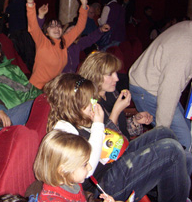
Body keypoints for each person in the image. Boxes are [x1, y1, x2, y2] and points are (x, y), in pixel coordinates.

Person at [44, 72, 191, 202]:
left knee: (164, 133)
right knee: (171, 151)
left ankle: (176, 185)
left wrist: (101, 123)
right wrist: (98, 125)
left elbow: (114, 140)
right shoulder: (63, 129)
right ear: (72, 105)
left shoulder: (83, 116)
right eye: (87, 100)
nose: (93, 102)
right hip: (102, 185)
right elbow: (87, 169)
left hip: (115, 160)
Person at [129, 20, 192, 151]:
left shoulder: (188, 27)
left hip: (154, 85)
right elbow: (169, 92)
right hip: (147, 90)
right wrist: (162, 132)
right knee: (184, 141)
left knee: (187, 129)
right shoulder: (185, 51)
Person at [25, 0, 89, 89]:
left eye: (58, 26)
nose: (56, 28)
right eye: (52, 26)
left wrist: (83, 6)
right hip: (35, 88)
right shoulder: (42, 41)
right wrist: (30, 3)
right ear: (46, 31)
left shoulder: (64, 42)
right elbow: (33, 25)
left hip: (52, 88)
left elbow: (79, 27)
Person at [79, 51, 153, 140]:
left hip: (125, 145)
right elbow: (106, 143)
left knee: (163, 133)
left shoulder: (112, 93)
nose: (117, 79)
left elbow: (121, 130)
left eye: (115, 73)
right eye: (110, 74)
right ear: (95, 76)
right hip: (116, 152)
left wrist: (135, 121)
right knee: (168, 144)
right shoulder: (88, 105)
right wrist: (116, 111)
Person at [32, 130, 115, 202]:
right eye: (84, 164)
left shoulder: (72, 181)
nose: (89, 167)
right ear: (63, 170)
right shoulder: (54, 199)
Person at [36, 4, 111, 73]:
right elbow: (39, 32)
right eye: (70, 30)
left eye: (74, 31)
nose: (72, 33)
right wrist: (40, 16)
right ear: (64, 31)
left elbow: (90, 39)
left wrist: (100, 30)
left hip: (73, 77)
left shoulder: (77, 44)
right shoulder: (53, 44)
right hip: (58, 79)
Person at [0, 36, 40, 111]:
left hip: (35, 98)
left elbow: (28, 87)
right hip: (24, 107)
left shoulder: (13, 68)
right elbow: (12, 102)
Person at [4, 0, 35, 71]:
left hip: (18, 33)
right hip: (24, 32)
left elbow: (5, 10)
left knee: (18, 55)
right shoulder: (23, 0)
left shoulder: (18, 0)